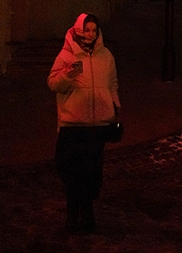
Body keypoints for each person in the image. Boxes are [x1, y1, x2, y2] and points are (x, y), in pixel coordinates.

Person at [48, 13, 120, 234]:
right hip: (73, 124)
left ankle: (87, 211)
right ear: (79, 30)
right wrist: (68, 74)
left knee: (92, 171)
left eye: (94, 30)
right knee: (70, 169)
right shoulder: (67, 54)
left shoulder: (106, 56)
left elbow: (112, 83)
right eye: (86, 30)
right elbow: (52, 83)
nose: (90, 34)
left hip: (98, 125)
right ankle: (72, 213)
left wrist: (115, 107)